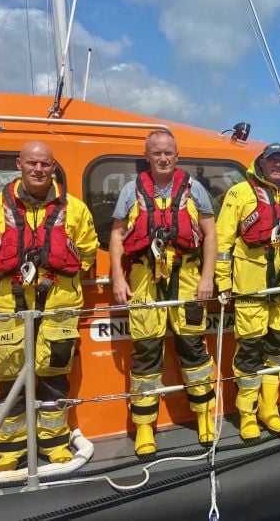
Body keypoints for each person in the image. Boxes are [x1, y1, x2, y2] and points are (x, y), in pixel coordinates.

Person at [0, 141, 99, 471]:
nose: (38, 169)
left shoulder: (76, 209)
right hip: (9, 304)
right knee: (10, 377)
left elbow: (87, 253)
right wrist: (6, 277)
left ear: (53, 166)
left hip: (58, 306)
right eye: (32, 163)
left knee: (55, 377)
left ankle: (54, 443)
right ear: (19, 164)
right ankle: (10, 449)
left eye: (45, 163)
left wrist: (60, 277)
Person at [109, 129, 217, 455]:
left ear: (177, 155)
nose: (163, 157)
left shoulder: (194, 189)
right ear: (147, 156)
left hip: (185, 275)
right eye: (156, 152)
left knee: (193, 349)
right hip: (144, 278)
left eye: (168, 152)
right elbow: (116, 236)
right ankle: (145, 428)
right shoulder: (131, 191)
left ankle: (204, 417)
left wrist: (207, 278)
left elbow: (210, 235)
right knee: (145, 353)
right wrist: (117, 277)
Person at [215, 143, 280, 440]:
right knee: (249, 354)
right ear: (261, 164)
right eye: (271, 160)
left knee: (277, 352)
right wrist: (224, 283)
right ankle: (247, 414)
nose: (277, 165)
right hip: (250, 292)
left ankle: (268, 410)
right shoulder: (240, 194)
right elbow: (223, 244)